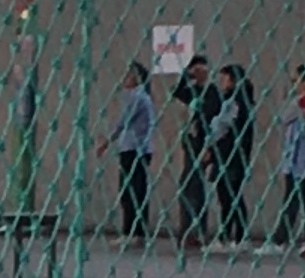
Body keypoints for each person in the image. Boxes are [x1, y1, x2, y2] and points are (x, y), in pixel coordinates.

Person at [203, 62, 256, 244]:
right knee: (231, 196)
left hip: (230, 155)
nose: (222, 83)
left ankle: (230, 237)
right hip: (234, 155)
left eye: (225, 79)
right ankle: (234, 236)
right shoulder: (242, 101)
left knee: (229, 197)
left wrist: (209, 147)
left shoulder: (234, 102)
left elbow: (221, 128)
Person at [170, 53, 219, 250]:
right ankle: (188, 230)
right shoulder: (193, 90)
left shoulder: (212, 92)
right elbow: (177, 92)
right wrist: (186, 74)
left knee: (195, 188)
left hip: (202, 145)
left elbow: (213, 119)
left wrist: (209, 147)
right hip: (191, 143)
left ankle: (196, 231)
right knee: (187, 187)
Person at [106, 65, 159, 243]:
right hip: (138, 149)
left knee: (131, 192)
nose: (125, 78)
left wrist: (107, 140)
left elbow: (124, 120)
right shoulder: (142, 97)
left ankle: (131, 232)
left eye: (129, 75)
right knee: (136, 190)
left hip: (134, 149)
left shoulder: (136, 96)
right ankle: (137, 232)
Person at [274, 68, 305, 252]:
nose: (294, 85)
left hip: (302, 157)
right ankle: (302, 239)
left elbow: (284, 117)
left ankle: (282, 240)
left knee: (297, 200)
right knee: (298, 199)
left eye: (297, 81)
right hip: (296, 157)